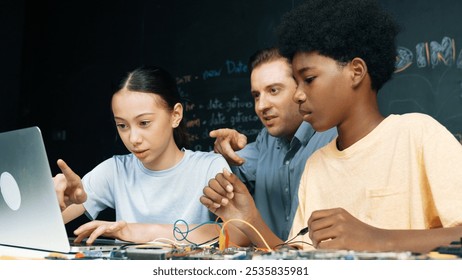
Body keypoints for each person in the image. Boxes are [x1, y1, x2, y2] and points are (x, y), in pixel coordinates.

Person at [201, 0, 462, 254]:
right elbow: (302, 258)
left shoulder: (417, 134)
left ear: (356, 71)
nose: (298, 95)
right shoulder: (316, 166)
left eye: (309, 79)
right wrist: (251, 220)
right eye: (297, 83)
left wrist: (375, 237)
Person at [53, 65, 232, 245]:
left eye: (144, 123)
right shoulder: (115, 170)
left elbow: (233, 231)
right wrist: (60, 201)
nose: (133, 138)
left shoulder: (210, 167)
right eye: (122, 125)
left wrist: (140, 231)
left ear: (176, 115)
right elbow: (40, 224)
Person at [209, 47, 336, 241]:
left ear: (302, 88)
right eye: (256, 95)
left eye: (273, 90)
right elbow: (229, 168)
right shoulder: (265, 142)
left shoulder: (334, 139)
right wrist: (224, 151)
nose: (261, 106)